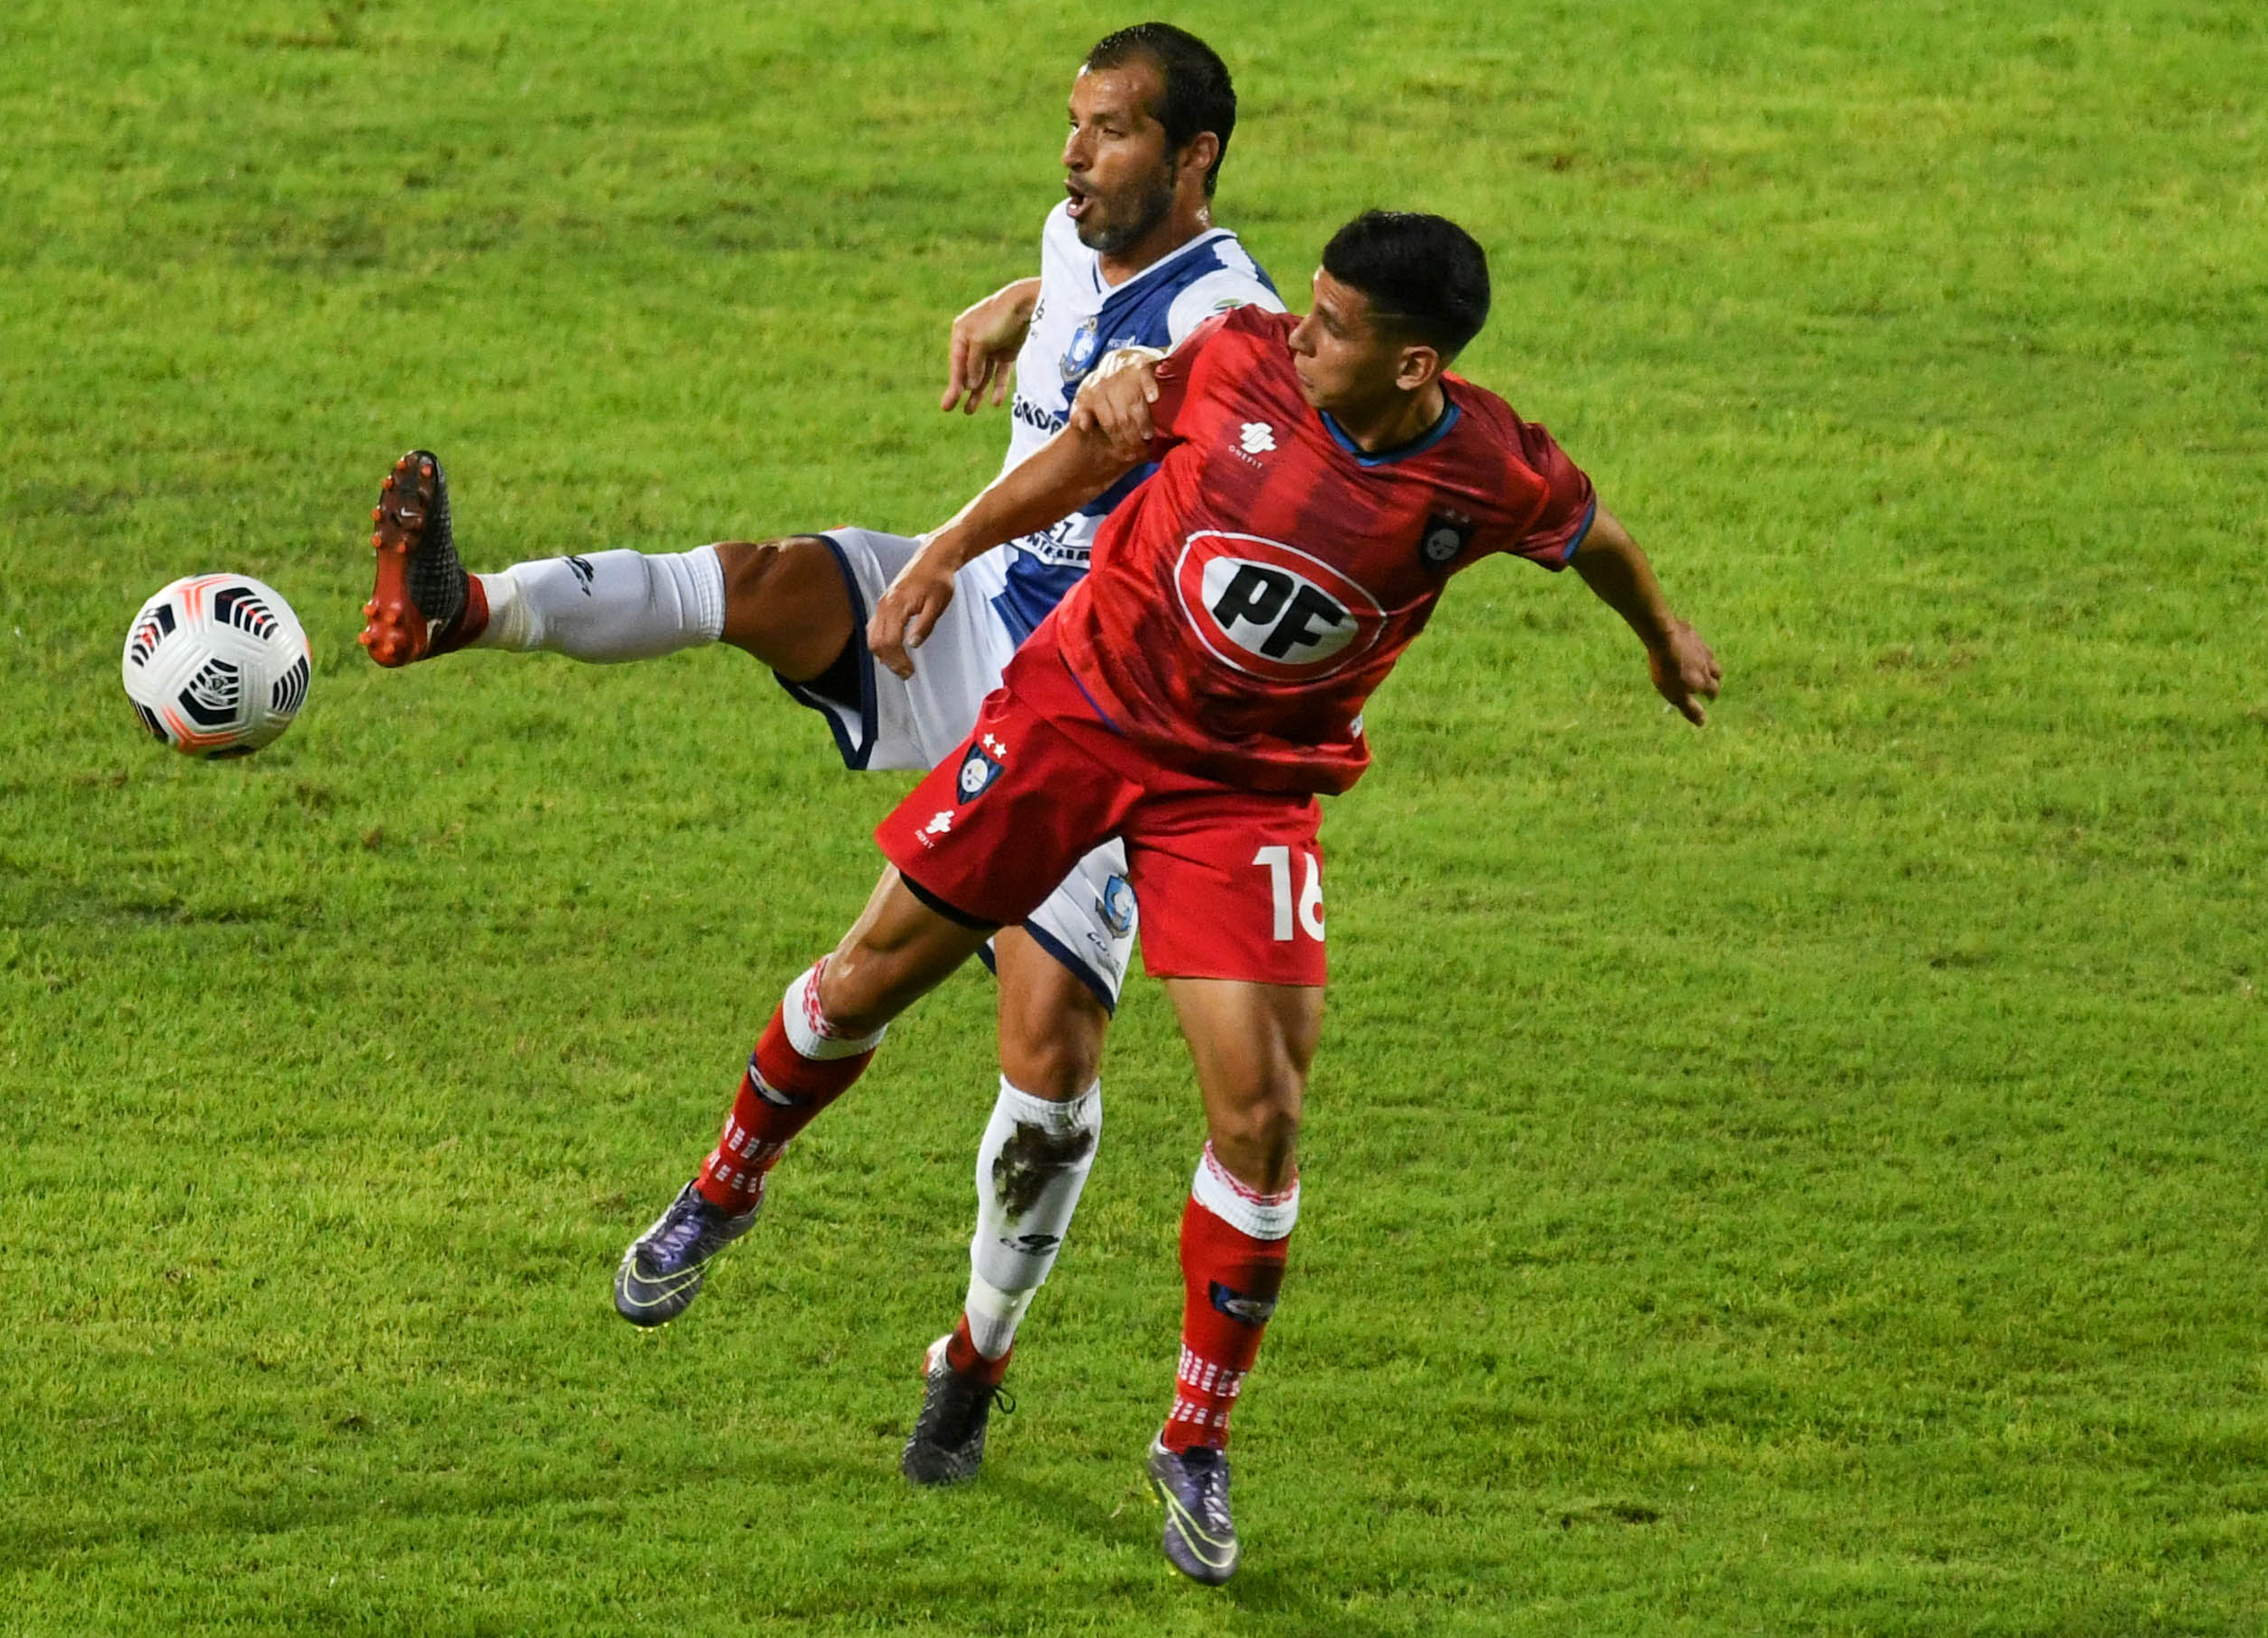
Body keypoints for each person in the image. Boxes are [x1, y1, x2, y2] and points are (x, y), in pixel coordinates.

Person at [605, 209, 1720, 1585]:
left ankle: (1193, 1436)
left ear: (1417, 365)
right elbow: (1078, 459)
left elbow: (1594, 532)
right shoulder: (1231, 363)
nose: (1300, 330)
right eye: (1305, 303)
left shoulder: (1488, 469)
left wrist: (1660, 631)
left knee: (1262, 1109)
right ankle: (728, 1183)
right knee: (868, 978)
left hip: (1243, 791)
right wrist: (948, 552)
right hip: (1077, 716)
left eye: (1337, 325)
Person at [358, 24, 1285, 1486]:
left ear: (1195, 159)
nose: (1072, 153)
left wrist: (955, 538)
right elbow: (1079, 283)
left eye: (1110, 134)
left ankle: (971, 1362)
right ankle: (459, 608)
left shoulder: (1230, 319)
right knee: (767, 579)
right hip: (977, 610)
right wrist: (1012, 304)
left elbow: (1128, 427)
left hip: (1097, 706)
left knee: (1045, 1077)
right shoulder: (1076, 233)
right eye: (1073, 122)